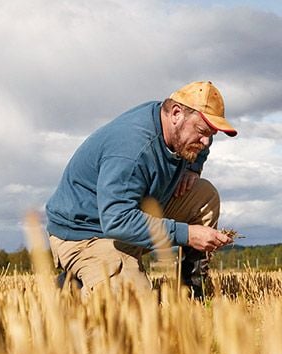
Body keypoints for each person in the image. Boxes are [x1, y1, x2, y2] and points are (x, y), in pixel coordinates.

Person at [44, 81, 238, 300]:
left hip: (133, 214)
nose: (206, 141)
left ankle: (191, 291)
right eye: (202, 131)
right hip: (88, 233)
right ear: (176, 114)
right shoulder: (131, 150)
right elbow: (117, 220)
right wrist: (187, 234)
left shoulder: (175, 125)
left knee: (204, 196)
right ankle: (72, 288)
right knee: (136, 311)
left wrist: (193, 168)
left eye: (212, 134)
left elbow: (203, 142)